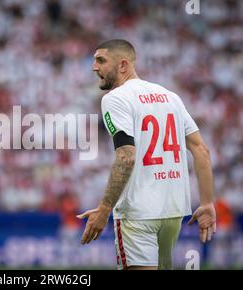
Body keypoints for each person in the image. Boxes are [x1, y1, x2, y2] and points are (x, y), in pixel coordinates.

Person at [77, 39, 216, 270]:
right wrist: (208, 202)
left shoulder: (115, 98)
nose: (94, 67)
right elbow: (201, 150)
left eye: (101, 60)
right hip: (172, 212)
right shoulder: (170, 96)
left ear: (123, 65)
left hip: (138, 211)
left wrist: (104, 209)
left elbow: (126, 156)